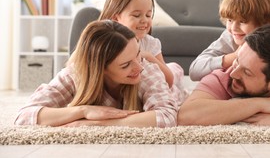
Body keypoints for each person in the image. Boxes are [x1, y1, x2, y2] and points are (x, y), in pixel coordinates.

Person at [14, 20, 177, 127]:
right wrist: (83, 111)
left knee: (174, 72)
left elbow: (167, 117)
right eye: (126, 64)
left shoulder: (147, 69)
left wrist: (96, 123)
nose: (138, 67)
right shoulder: (75, 74)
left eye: (138, 54)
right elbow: (24, 116)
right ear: (99, 68)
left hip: (173, 89)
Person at [99, 0, 187, 104]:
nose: (144, 20)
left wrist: (148, 57)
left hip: (148, 91)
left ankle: (176, 70)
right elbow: (75, 65)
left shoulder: (150, 43)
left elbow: (169, 80)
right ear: (115, 19)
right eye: (136, 15)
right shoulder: (100, 42)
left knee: (174, 71)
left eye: (148, 15)